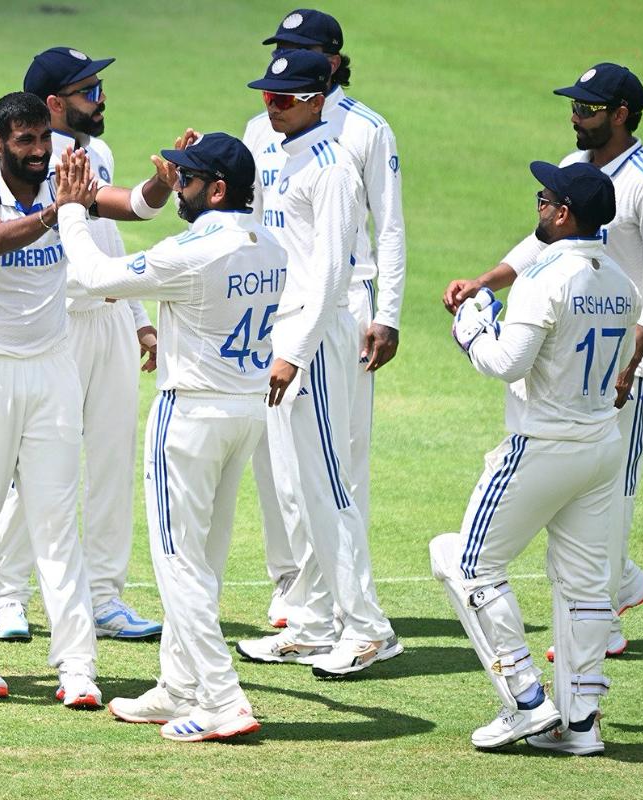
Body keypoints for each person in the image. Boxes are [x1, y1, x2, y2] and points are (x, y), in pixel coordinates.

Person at [442, 63, 643, 658]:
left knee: (612, 492)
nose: (574, 117)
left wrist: (633, 359)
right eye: (574, 107)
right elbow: (538, 242)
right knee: (576, 483)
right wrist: (486, 279)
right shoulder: (576, 169)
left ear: (621, 114)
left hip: (620, 363)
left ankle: (605, 620)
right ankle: (621, 586)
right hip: (565, 348)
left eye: (587, 109)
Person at [0, 92, 171, 706]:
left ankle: (76, 666)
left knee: (55, 521)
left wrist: (159, 185)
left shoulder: (64, 179)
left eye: (45, 139)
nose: (41, 152)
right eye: (27, 142)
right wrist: (56, 213)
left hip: (51, 368)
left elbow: (129, 209)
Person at [55, 133, 286, 741]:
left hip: (189, 416)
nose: (176, 187)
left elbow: (97, 273)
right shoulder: (271, 244)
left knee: (178, 564)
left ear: (216, 189)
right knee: (203, 559)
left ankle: (221, 698)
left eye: (186, 180)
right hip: (247, 413)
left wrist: (73, 208)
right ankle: (178, 686)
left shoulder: (192, 252)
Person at [430, 161, 638, 755]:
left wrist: (471, 326)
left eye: (544, 199)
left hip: (542, 445)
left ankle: (525, 699)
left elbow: (506, 363)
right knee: (585, 588)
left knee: (463, 562)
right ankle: (581, 724)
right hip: (600, 449)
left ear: (563, 212)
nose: (539, 206)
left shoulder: (545, 278)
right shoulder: (620, 281)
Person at [0, 47, 164, 642]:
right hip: (59, 324)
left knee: (112, 462)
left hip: (109, 321)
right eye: (89, 90)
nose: (101, 98)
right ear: (55, 103)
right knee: (39, 465)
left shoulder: (97, 152)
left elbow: (107, 240)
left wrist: (136, 314)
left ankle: (105, 595)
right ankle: (8, 596)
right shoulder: (33, 163)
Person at [234, 50, 402, 678]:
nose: (269, 107)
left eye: (282, 98)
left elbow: (332, 271)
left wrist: (293, 353)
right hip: (291, 326)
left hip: (318, 334)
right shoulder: (290, 152)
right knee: (296, 486)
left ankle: (367, 628)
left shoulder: (331, 167)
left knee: (329, 481)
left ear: (315, 98)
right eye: (266, 97)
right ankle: (308, 621)